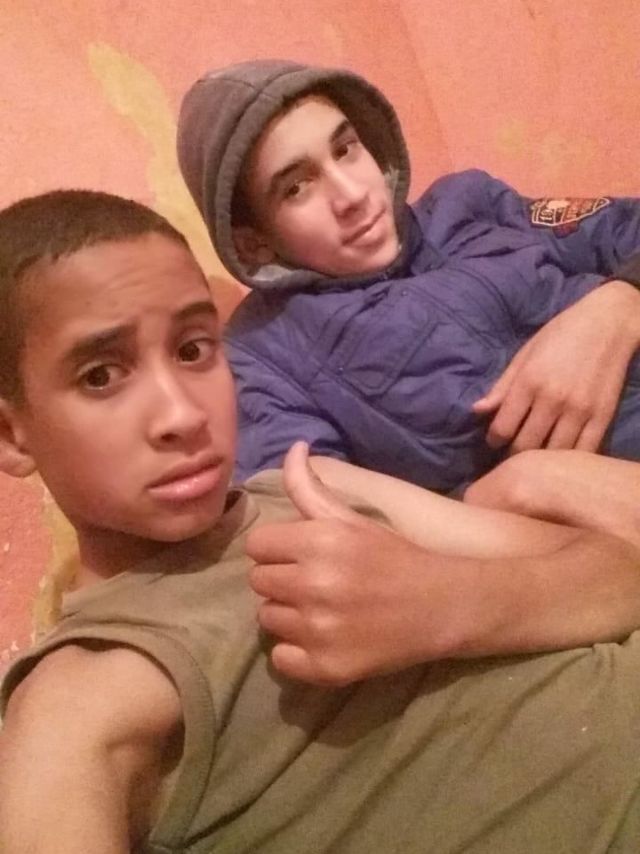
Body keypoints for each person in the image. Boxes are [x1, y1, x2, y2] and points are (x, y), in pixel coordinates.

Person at [2, 189, 640, 853]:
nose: (183, 415)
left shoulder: (306, 486)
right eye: (101, 375)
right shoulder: (79, 699)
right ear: (12, 434)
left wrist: (450, 604)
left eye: (193, 350)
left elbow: (621, 571)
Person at [176, 59, 640, 535]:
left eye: (345, 149)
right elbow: (321, 518)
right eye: (296, 187)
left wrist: (618, 306)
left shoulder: (470, 203)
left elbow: (625, 228)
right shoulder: (264, 355)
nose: (353, 194)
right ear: (253, 242)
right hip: (583, 537)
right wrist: (506, 492)